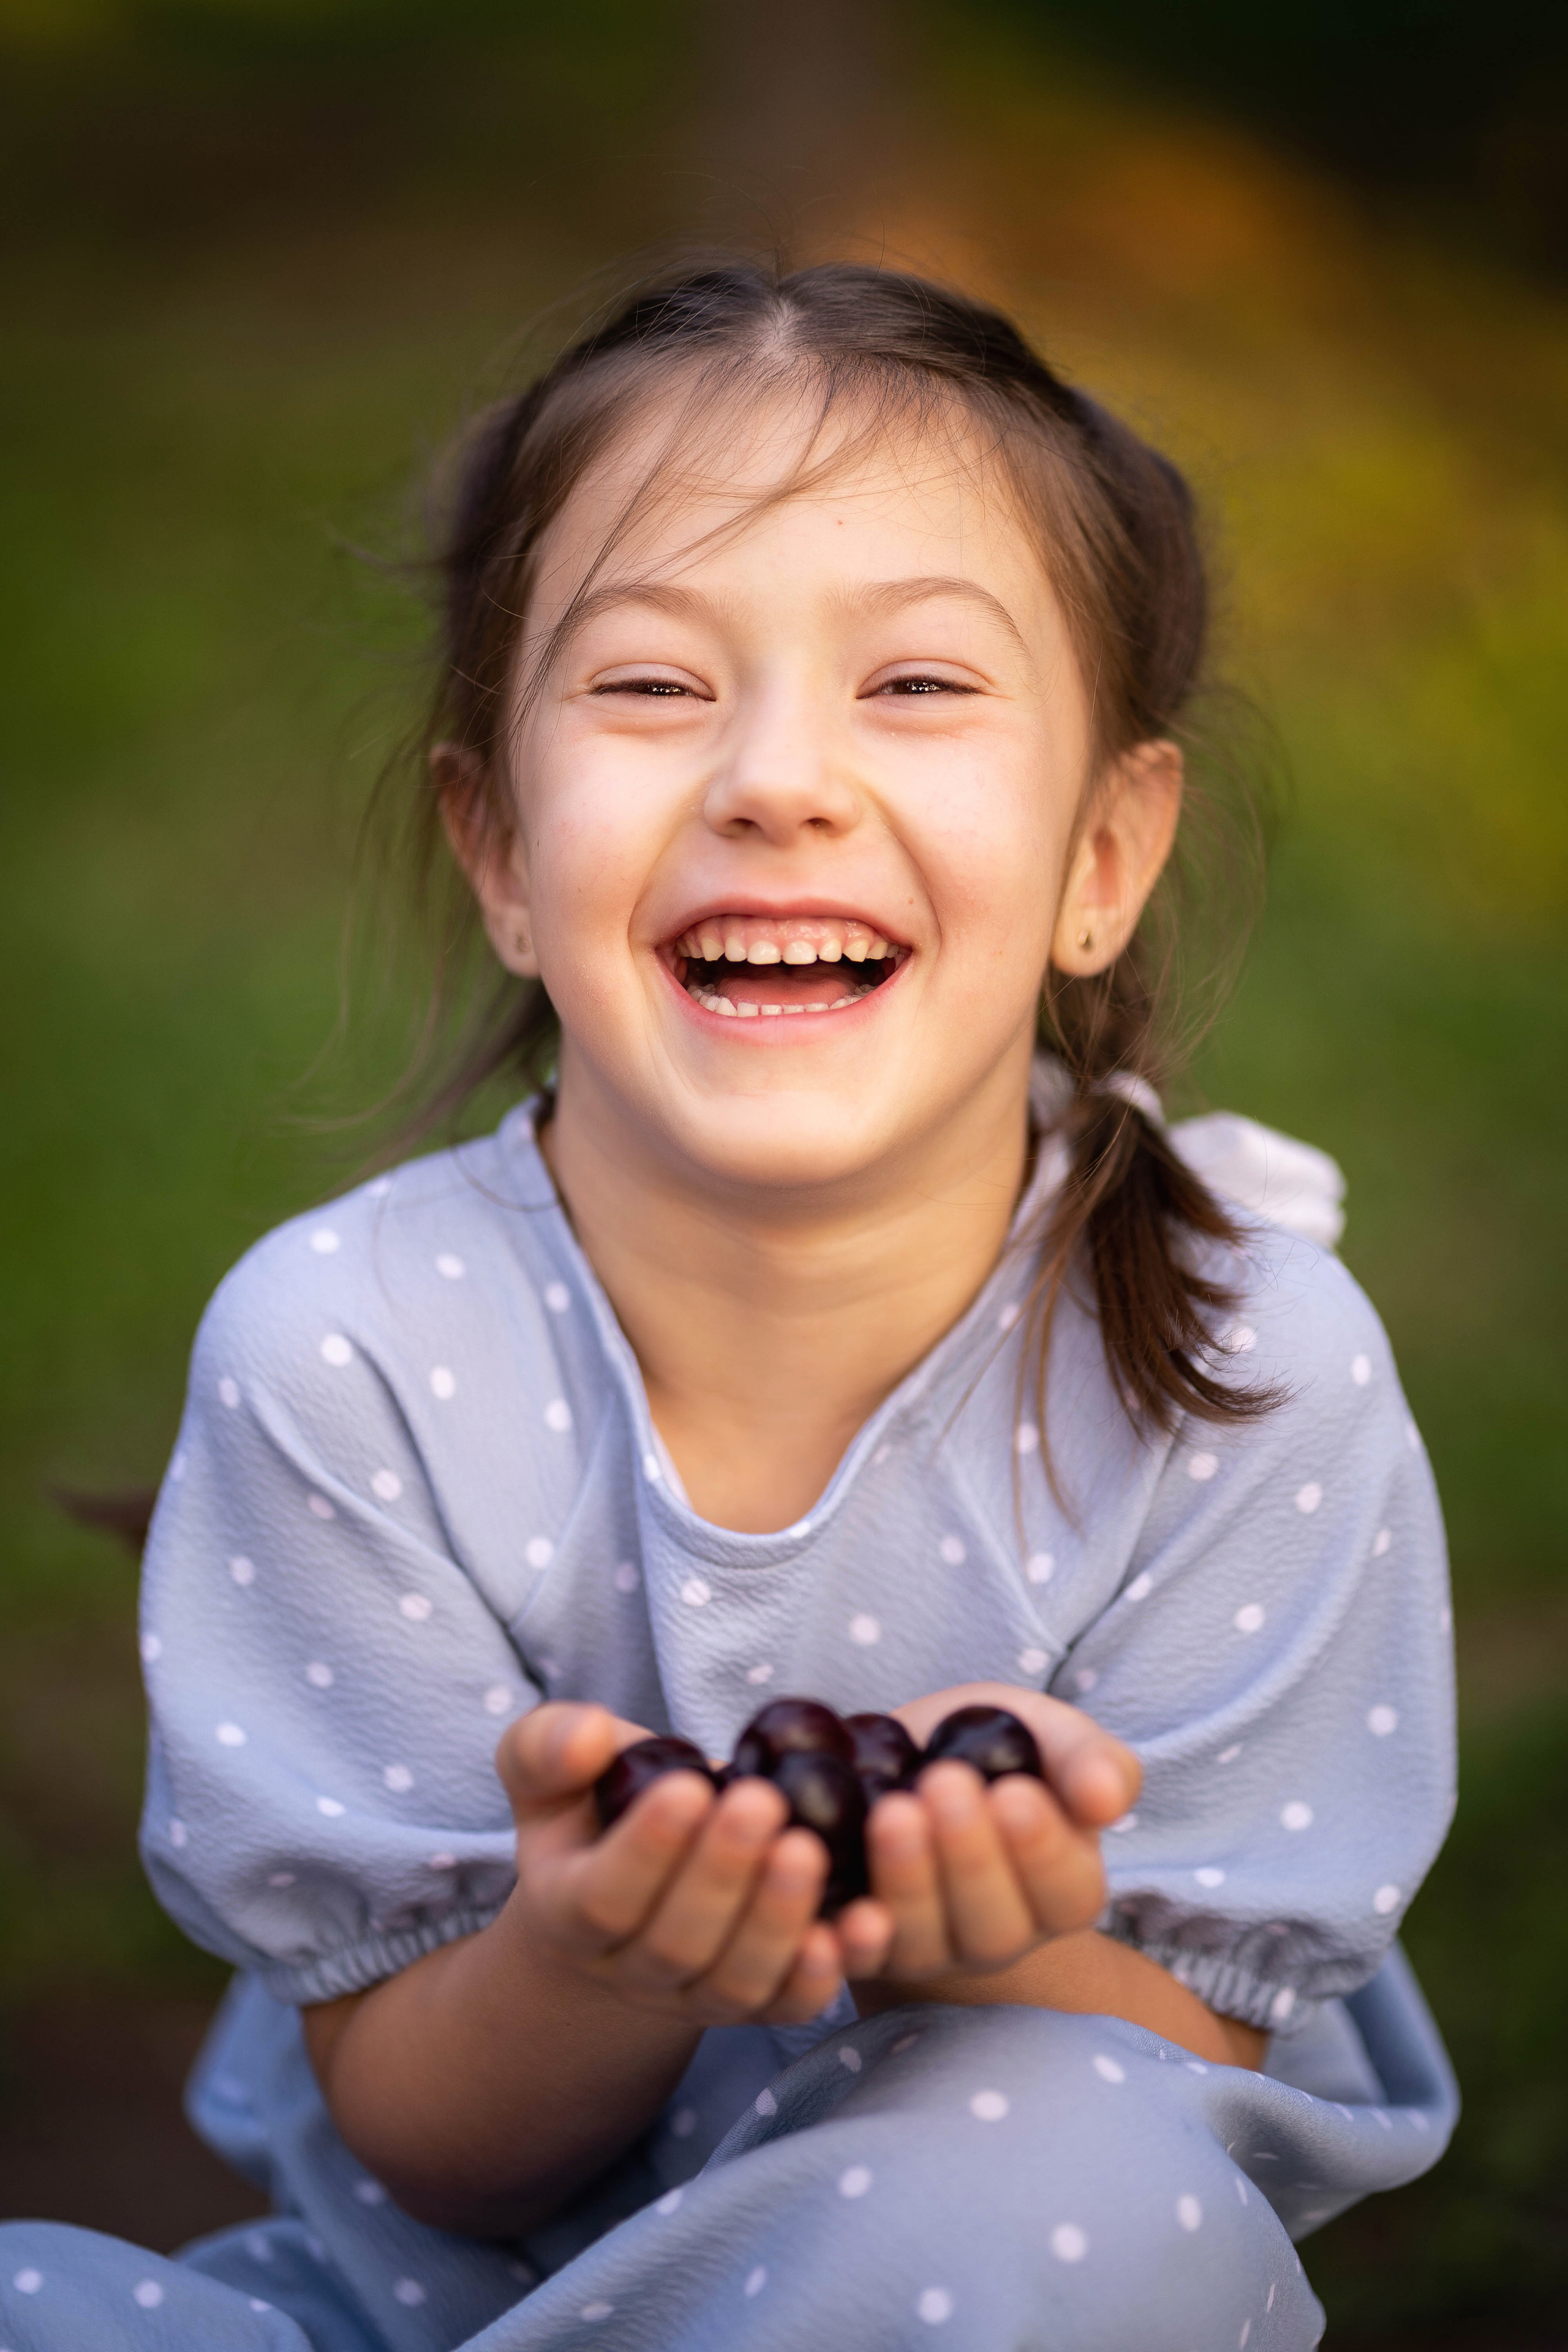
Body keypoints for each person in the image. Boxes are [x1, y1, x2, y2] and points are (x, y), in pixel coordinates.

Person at [0, 259, 1458, 2352]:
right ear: (499, 848)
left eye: (921, 688)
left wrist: (997, 1949)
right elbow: (428, 2144)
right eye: (656, 687)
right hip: (438, 2301)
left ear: (1105, 856)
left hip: (966, 2267)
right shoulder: (348, 1355)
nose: (777, 777)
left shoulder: (1247, 1372)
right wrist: (598, 1961)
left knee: (1090, 2193)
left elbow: (1188, 2077)